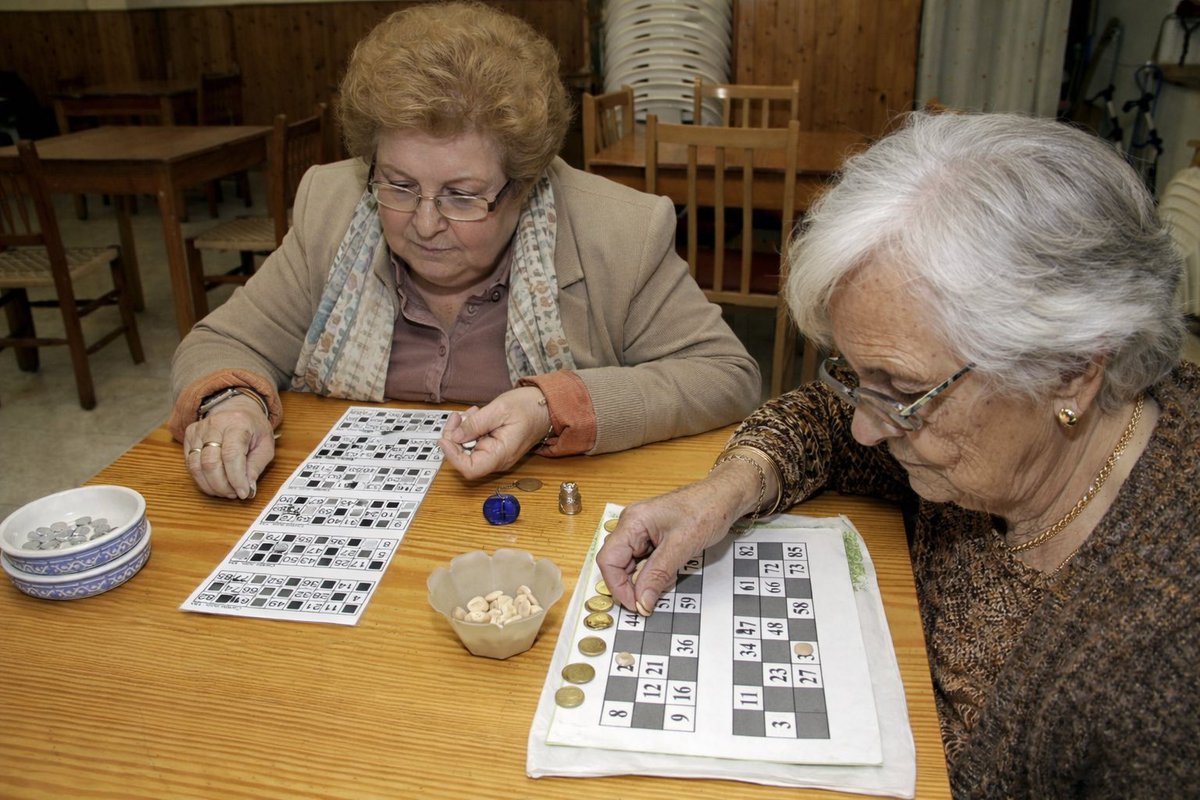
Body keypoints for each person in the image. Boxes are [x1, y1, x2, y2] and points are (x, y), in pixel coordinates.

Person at [598, 112, 1200, 797]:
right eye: (858, 376)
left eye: (905, 391)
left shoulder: (1166, 667)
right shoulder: (1000, 439)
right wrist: (726, 491)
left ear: (1071, 373)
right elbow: (829, 421)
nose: (865, 429)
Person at [168, 1, 760, 500]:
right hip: (359, 516)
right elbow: (223, 341)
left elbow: (724, 376)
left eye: (463, 195)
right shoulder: (332, 205)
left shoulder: (620, 229)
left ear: (524, 186)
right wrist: (233, 404)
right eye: (399, 185)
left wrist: (552, 407)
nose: (425, 224)